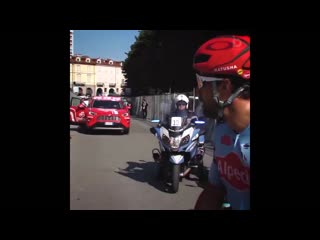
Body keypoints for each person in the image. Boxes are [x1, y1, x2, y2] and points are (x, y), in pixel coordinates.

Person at [192, 35, 250, 210]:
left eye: (202, 83)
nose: (198, 91)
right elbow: (214, 190)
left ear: (224, 87)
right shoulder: (223, 129)